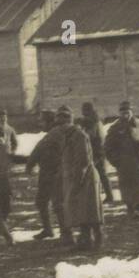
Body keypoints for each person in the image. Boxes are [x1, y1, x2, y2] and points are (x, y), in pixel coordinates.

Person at [54, 106, 105, 252]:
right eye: (59, 124)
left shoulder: (78, 136)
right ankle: (86, 240)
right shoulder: (68, 136)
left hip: (85, 177)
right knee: (83, 210)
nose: (60, 127)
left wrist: (76, 181)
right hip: (77, 177)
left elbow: (83, 161)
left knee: (90, 210)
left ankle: (97, 239)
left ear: (68, 122)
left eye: (62, 124)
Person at [104, 101, 139, 215]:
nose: (125, 114)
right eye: (123, 112)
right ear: (119, 113)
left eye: (127, 112)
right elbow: (108, 147)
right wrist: (116, 161)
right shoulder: (115, 128)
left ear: (132, 112)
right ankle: (131, 208)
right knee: (127, 185)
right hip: (125, 162)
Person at [26, 110, 67, 244]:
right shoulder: (53, 134)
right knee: (42, 201)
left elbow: (38, 150)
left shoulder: (54, 134)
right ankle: (49, 229)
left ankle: (65, 233)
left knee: (57, 204)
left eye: (42, 121)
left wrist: (30, 164)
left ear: (49, 121)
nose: (39, 124)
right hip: (49, 173)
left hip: (53, 174)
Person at [79, 102, 115, 205]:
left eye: (84, 110)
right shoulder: (95, 120)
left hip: (96, 151)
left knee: (99, 174)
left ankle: (108, 196)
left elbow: (91, 135)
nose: (83, 113)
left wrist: (82, 132)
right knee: (101, 174)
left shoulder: (92, 121)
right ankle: (108, 195)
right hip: (99, 150)